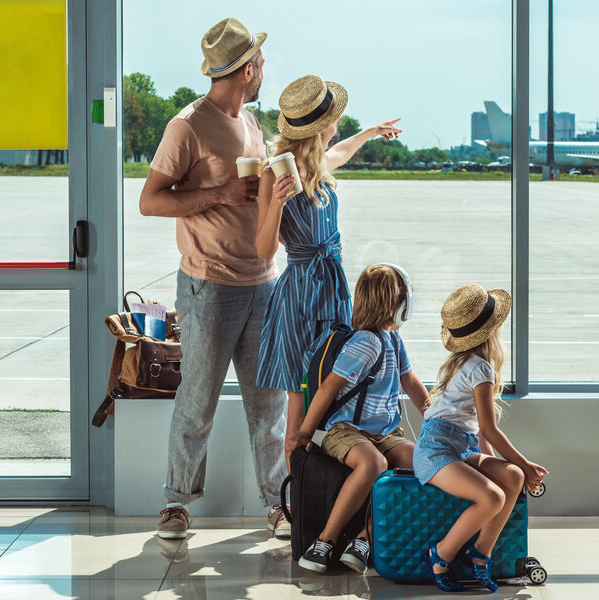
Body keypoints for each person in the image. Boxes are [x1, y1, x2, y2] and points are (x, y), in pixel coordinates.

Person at [139, 17, 289, 540]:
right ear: (248, 69)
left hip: (264, 283)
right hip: (210, 285)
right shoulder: (187, 125)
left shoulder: (252, 124)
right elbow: (150, 200)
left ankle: (279, 503)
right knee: (197, 398)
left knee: (269, 402)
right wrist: (219, 196)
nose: (265, 70)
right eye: (262, 63)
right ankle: (177, 501)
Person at [252, 75, 400, 446]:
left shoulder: (321, 163)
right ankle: (294, 486)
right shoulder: (274, 174)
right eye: (335, 119)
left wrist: (369, 132)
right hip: (301, 291)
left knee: (331, 378)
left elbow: (343, 151)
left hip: (331, 288)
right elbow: (264, 252)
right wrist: (276, 204)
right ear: (321, 127)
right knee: (299, 390)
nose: (338, 126)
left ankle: (330, 472)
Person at [290, 265, 429, 574]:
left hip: (384, 432)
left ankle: (365, 536)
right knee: (374, 464)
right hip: (346, 430)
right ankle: (324, 542)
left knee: (419, 462)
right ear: (395, 303)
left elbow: (411, 382)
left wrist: (432, 417)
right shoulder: (365, 342)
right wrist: (304, 433)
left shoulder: (393, 340)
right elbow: (328, 389)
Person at [414, 284, 548, 592]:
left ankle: (480, 553)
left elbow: (476, 431)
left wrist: (511, 467)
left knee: (511, 476)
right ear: (492, 332)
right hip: (436, 452)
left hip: (460, 447)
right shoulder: (481, 369)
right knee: (493, 496)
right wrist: (526, 464)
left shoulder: (464, 363)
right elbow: (489, 428)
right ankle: (440, 554)